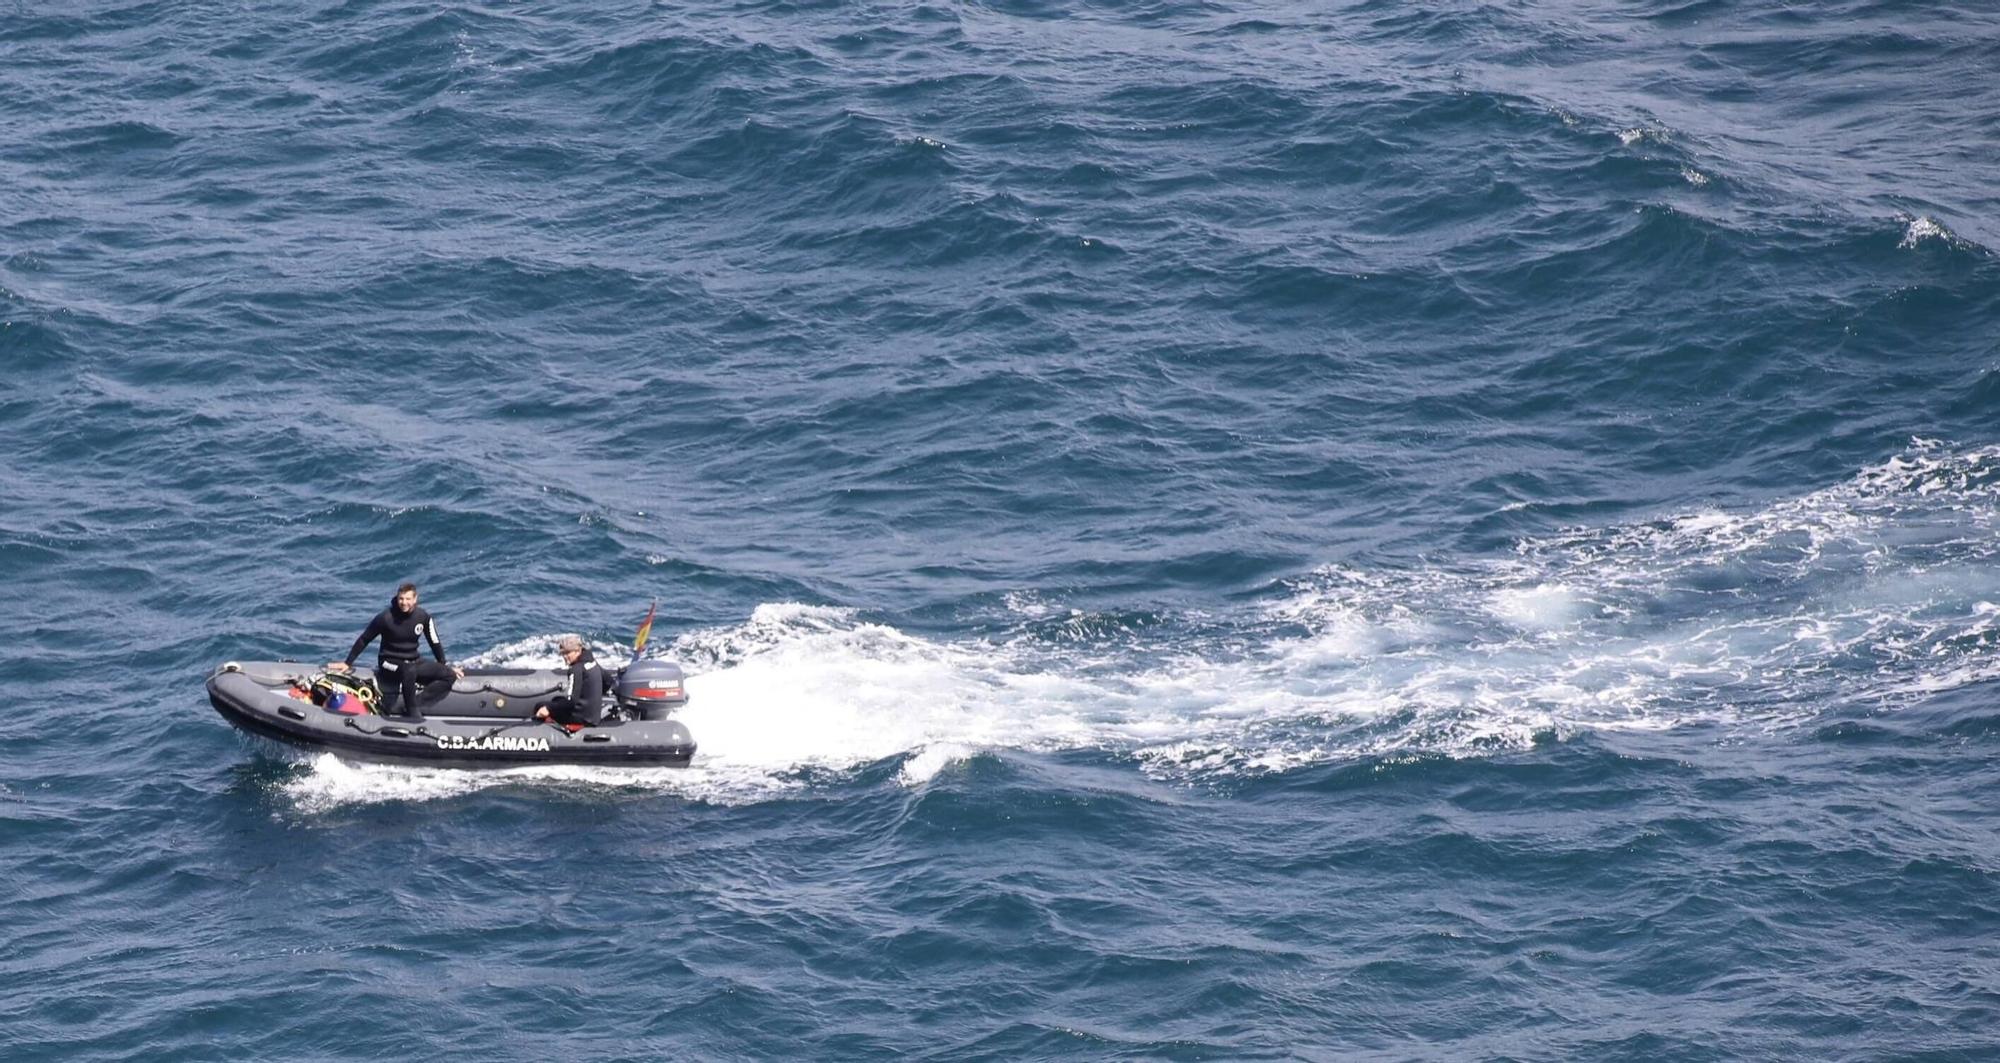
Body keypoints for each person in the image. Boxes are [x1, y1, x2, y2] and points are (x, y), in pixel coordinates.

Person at [328, 582, 464, 719]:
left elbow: (434, 641)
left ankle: (416, 703)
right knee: (409, 670)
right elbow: (364, 639)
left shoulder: (423, 617)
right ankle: (412, 713)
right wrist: (348, 663)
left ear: (415, 599)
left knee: (449, 675)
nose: (404, 603)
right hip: (388, 662)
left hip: (413, 660)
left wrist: (443, 664)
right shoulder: (385, 618)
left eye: (408, 599)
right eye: (401, 599)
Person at [533, 634, 607, 727]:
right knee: (556, 699)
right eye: (563, 653)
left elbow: (571, 701)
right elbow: (608, 681)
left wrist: (548, 708)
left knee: (540, 706)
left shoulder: (576, 669)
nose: (565, 656)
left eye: (568, 653)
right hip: (593, 716)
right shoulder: (592, 662)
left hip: (582, 718)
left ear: (578, 651)